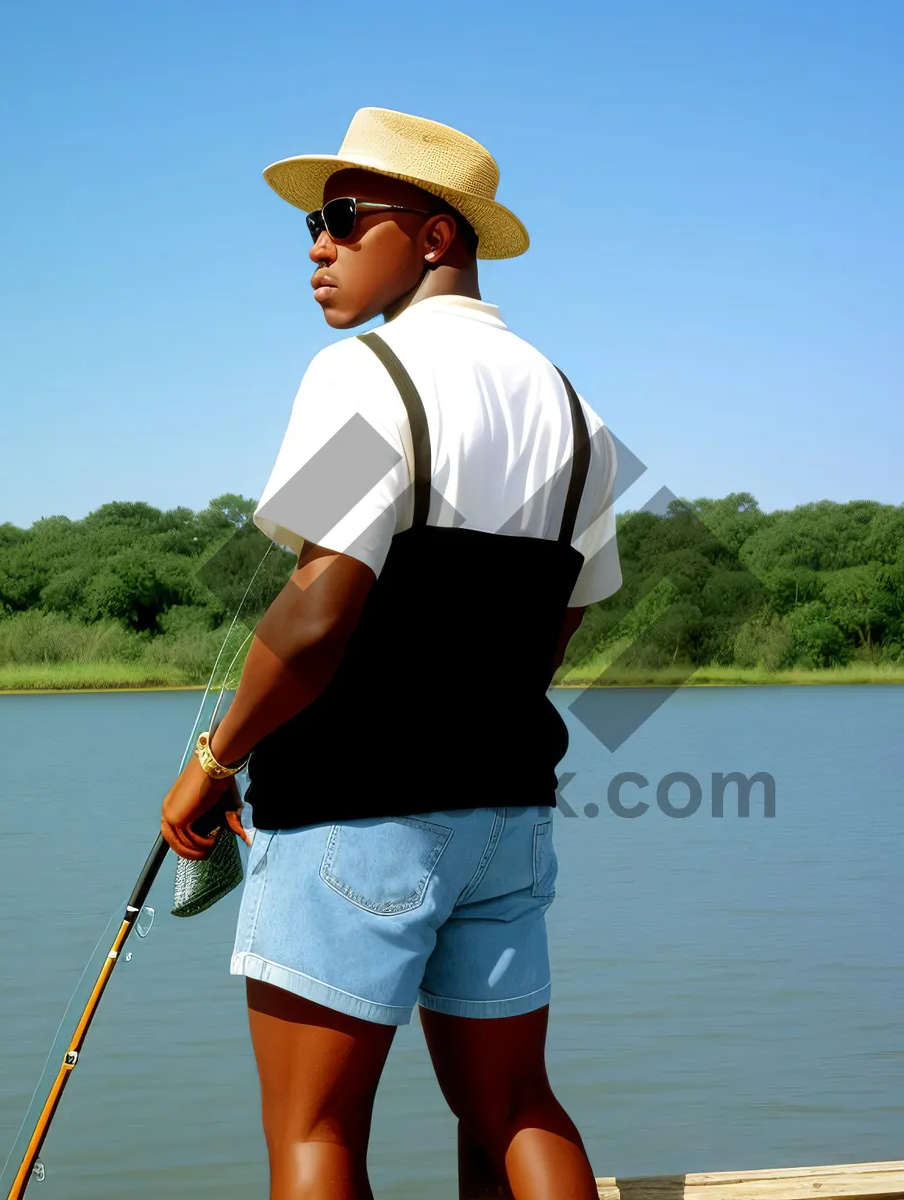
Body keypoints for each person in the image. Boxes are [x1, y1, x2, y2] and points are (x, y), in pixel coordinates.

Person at [160, 107, 622, 1200]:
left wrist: (217, 760)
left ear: (434, 237)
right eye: (312, 227)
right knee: (516, 1108)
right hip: (507, 813)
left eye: (341, 217)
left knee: (315, 1133)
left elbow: (320, 606)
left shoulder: (364, 374)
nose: (316, 245)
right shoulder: (580, 414)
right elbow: (559, 625)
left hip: (348, 812)